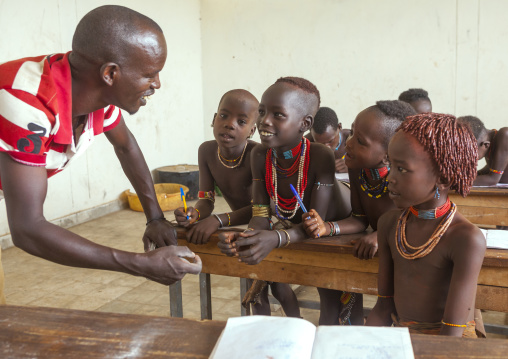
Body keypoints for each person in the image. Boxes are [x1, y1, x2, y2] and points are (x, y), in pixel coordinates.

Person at [0, 5, 202, 304]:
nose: (157, 84)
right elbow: (28, 229)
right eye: (150, 74)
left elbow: (126, 146)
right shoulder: (26, 100)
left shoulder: (96, 95)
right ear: (110, 73)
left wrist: (155, 217)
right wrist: (139, 263)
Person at [218, 77, 351, 324]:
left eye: (278, 115)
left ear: (305, 123)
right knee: (261, 268)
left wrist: (276, 237)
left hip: (335, 227)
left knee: (330, 298)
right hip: (298, 226)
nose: (264, 120)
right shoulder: (260, 154)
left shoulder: (320, 155)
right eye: (262, 111)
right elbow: (260, 215)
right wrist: (244, 237)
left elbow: (314, 225)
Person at [366, 113, 486, 338]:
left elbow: (451, 334)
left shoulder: (465, 238)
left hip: (449, 345)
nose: (389, 177)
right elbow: (383, 309)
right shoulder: (389, 224)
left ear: (443, 178)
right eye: (390, 165)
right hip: (402, 338)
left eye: (402, 169)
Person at [302, 100, 416, 324]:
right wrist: (327, 228)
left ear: (386, 155)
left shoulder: (403, 180)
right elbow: (359, 219)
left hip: (409, 261)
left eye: (360, 141)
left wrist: (380, 235)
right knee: (342, 289)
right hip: (376, 253)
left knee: (398, 315)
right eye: (352, 133)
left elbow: (412, 222)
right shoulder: (357, 169)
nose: (349, 144)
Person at [174, 89, 258, 243]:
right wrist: (195, 213)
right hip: (236, 221)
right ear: (214, 119)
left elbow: (263, 209)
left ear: (251, 131)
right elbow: (207, 200)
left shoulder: (258, 155)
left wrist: (218, 220)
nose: (230, 124)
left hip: (267, 225)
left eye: (241, 122)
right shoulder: (206, 151)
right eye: (224, 116)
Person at [457, 116, 508, 185]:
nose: (467, 157)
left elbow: (493, 179)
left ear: (485, 145)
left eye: (470, 152)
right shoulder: (491, 145)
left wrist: (455, 183)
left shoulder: (505, 135)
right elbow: (489, 170)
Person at [310, 107, 351, 173]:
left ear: (339, 127)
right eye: (320, 143)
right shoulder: (308, 142)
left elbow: (371, 162)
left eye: (330, 141)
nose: (326, 147)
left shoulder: (351, 139)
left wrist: (352, 167)